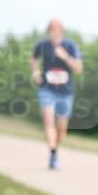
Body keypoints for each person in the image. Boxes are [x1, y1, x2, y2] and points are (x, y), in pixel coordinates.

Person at [31, 19, 84, 169]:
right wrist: (35, 72)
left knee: (62, 127)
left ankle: (55, 150)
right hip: (46, 89)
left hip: (65, 92)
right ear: (48, 31)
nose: (54, 32)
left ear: (61, 30)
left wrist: (65, 57)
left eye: (57, 29)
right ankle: (53, 154)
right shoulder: (42, 45)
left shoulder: (70, 46)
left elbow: (79, 68)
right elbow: (33, 60)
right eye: (51, 29)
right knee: (48, 120)